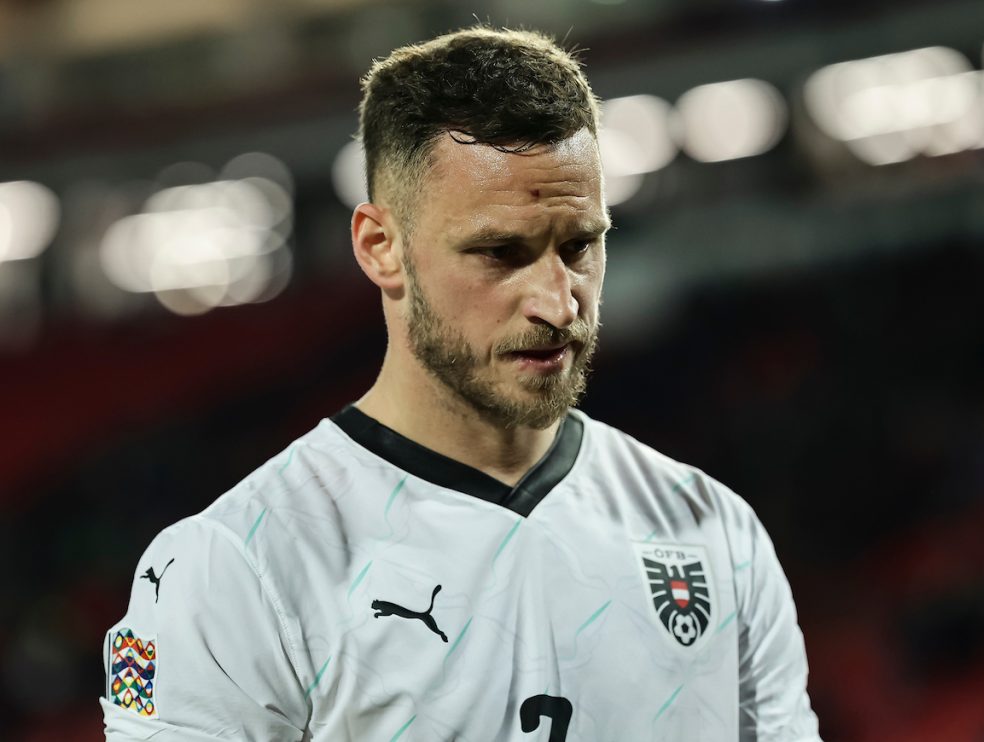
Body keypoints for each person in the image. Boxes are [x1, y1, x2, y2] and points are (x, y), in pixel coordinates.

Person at [101, 26, 821, 741]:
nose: (558, 302)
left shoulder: (714, 531)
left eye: (579, 245)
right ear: (380, 247)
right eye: (500, 252)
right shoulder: (230, 567)